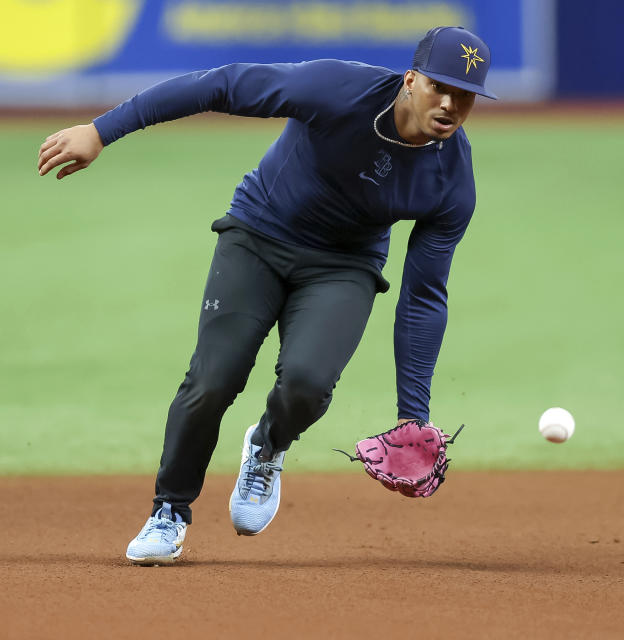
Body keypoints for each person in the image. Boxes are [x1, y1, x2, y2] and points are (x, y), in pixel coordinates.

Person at [37, 26, 496, 565]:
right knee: (214, 379)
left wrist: (412, 415)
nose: (449, 103)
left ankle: (268, 444)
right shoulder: (337, 89)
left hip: (344, 266)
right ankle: (170, 511)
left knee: (307, 384)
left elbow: (423, 297)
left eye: (464, 94)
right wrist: (102, 130)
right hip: (258, 235)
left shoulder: (452, 181)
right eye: (439, 86)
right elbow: (223, 85)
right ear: (411, 80)